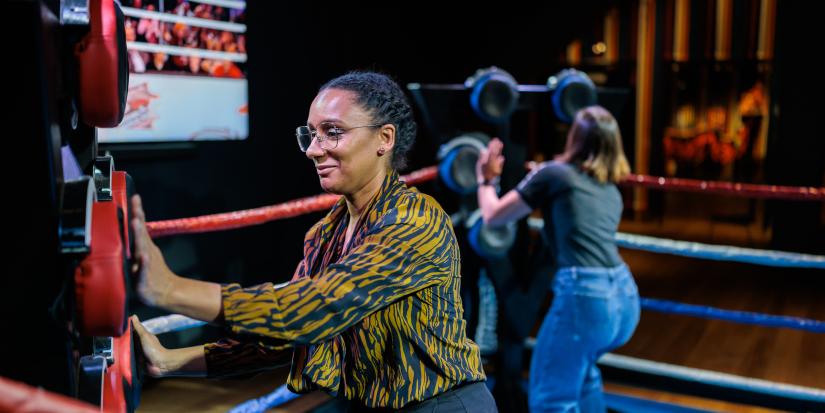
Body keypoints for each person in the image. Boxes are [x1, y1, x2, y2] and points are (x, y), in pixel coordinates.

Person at [129, 71, 497, 412]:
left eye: (332, 132)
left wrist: (170, 289)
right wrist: (168, 361)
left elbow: (308, 311)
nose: (313, 149)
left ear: (384, 139)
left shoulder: (415, 222)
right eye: (311, 134)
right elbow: (284, 336)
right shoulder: (326, 234)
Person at [475, 106, 640, 413]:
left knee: (551, 400)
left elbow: (494, 216)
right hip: (624, 300)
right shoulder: (610, 189)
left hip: (588, 300)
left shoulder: (554, 174)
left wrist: (486, 180)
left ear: (575, 138)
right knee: (584, 376)